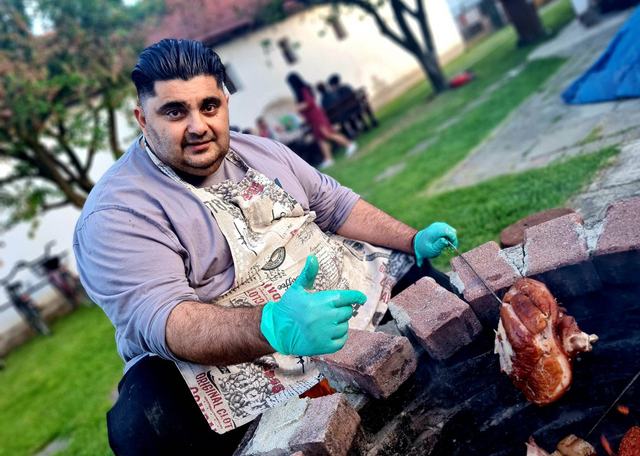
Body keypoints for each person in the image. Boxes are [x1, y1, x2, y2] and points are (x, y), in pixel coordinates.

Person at [73, 39, 459, 455]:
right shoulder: (115, 213)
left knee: (428, 287)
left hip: (335, 303)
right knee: (143, 418)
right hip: (235, 353)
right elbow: (168, 320)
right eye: (174, 112)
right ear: (142, 119)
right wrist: (273, 326)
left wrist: (412, 239)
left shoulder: (260, 151)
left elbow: (335, 205)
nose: (198, 126)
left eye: (209, 106)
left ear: (225, 103)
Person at [286, 72, 356, 168]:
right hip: (312, 119)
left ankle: (350, 144)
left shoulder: (304, 89)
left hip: (317, 117)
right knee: (321, 139)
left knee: (328, 134)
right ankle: (328, 159)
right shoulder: (300, 93)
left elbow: (310, 102)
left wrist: (298, 107)